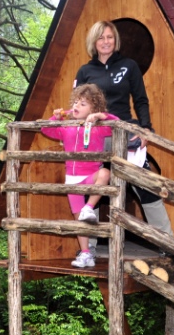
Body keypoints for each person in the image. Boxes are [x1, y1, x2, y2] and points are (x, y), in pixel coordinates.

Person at [73, 20, 174, 238]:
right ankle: (87, 250)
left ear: (115, 40)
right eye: (101, 37)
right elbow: (77, 106)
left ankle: (168, 243)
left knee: (146, 185)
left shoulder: (129, 65)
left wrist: (145, 129)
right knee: (91, 187)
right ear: (94, 42)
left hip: (124, 134)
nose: (105, 42)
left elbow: (141, 100)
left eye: (109, 37)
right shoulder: (85, 71)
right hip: (95, 138)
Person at [41, 83, 118, 268]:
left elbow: (117, 122)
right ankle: (85, 254)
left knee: (105, 173)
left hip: (91, 175)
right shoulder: (66, 127)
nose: (77, 106)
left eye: (83, 104)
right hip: (72, 179)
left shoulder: (99, 127)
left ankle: (89, 207)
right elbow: (45, 129)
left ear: (94, 108)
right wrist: (57, 117)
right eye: (75, 102)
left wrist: (100, 116)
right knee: (78, 221)